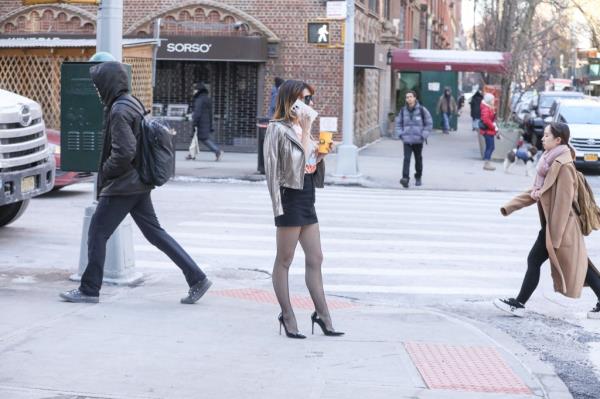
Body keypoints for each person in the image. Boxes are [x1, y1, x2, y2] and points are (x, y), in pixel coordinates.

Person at [59, 61, 212, 304]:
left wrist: (106, 173)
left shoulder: (119, 110)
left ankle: (89, 289)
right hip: (139, 181)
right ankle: (197, 278)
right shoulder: (132, 102)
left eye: (99, 85)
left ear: (109, 83)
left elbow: (125, 151)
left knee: (97, 233)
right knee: (155, 234)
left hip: (123, 184)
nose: (98, 90)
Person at [494, 122, 600, 319]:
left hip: (560, 227)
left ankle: (518, 303)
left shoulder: (564, 166)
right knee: (582, 264)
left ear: (558, 140)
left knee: (534, 259)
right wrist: (510, 206)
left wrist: (555, 237)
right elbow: (539, 193)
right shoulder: (549, 161)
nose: (542, 139)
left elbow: (563, 203)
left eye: (546, 136)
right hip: (556, 227)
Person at [263, 79, 344, 339]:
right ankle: (287, 315)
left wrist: (321, 155)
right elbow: (274, 171)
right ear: (291, 101)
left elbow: (306, 162)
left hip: (307, 193)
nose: (310, 104)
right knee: (284, 260)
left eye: (310, 99)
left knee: (316, 257)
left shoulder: (301, 128)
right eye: (305, 100)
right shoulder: (277, 129)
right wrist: (278, 208)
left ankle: (323, 315)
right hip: (289, 197)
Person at [396, 90, 433, 188]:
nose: (409, 99)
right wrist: (401, 134)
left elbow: (429, 123)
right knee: (406, 159)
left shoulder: (422, 110)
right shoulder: (403, 110)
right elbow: (398, 123)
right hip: (407, 140)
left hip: (418, 140)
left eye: (410, 97)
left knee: (418, 159)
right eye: (407, 97)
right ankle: (405, 178)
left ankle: (418, 176)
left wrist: (423, 135)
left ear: (415, 98)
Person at [186, 82, 223, 161]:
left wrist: (194, 121)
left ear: (199, 90)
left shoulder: (199, 100)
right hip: (206, 122)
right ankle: (191, 154)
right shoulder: (207, 98)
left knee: (204, 139)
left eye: (195, 90)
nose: (193, 91)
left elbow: (197, 112)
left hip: (200, 123)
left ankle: (217, 151)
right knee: (195, 139)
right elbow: (210, 113)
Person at [480, 93, 499, 171]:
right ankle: (487, 163)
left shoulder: (489, 107)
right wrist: (493, 126)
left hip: (489, 130)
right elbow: (486, 120)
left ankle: (487, 162)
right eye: (492, 99)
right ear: (489, 100)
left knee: (490, 147)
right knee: (490, 147)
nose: (494, 101)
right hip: (487, 131)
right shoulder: (486, 108)